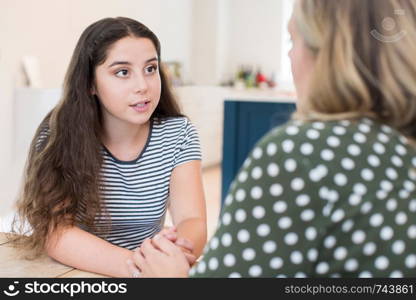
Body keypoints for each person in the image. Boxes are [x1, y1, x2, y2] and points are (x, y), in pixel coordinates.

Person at [128, 0, 416, 277]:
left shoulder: (302, 153)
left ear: (326, 53)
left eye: (293, 42)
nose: (290, 56)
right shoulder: (399, 145)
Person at [11, 17, 207, 278]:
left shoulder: (178, 134)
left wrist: (171, 257)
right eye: (123, 72)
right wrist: (141, 268)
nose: (143, 86)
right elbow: (56, 232)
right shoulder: (57, 134)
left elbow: (191, 220)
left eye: (150, 69)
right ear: (90, 83)